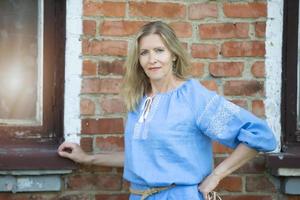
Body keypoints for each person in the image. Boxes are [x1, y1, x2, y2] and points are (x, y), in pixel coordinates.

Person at [58, 21, 277, 200]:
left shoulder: (193, 97)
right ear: (138, 59)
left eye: (159, 51)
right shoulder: (140, 102)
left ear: (173, 54)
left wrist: (216, 176)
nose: (152, 59)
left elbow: (259, 136)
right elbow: (142, 158)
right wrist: (88, 159)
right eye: (144, 52)